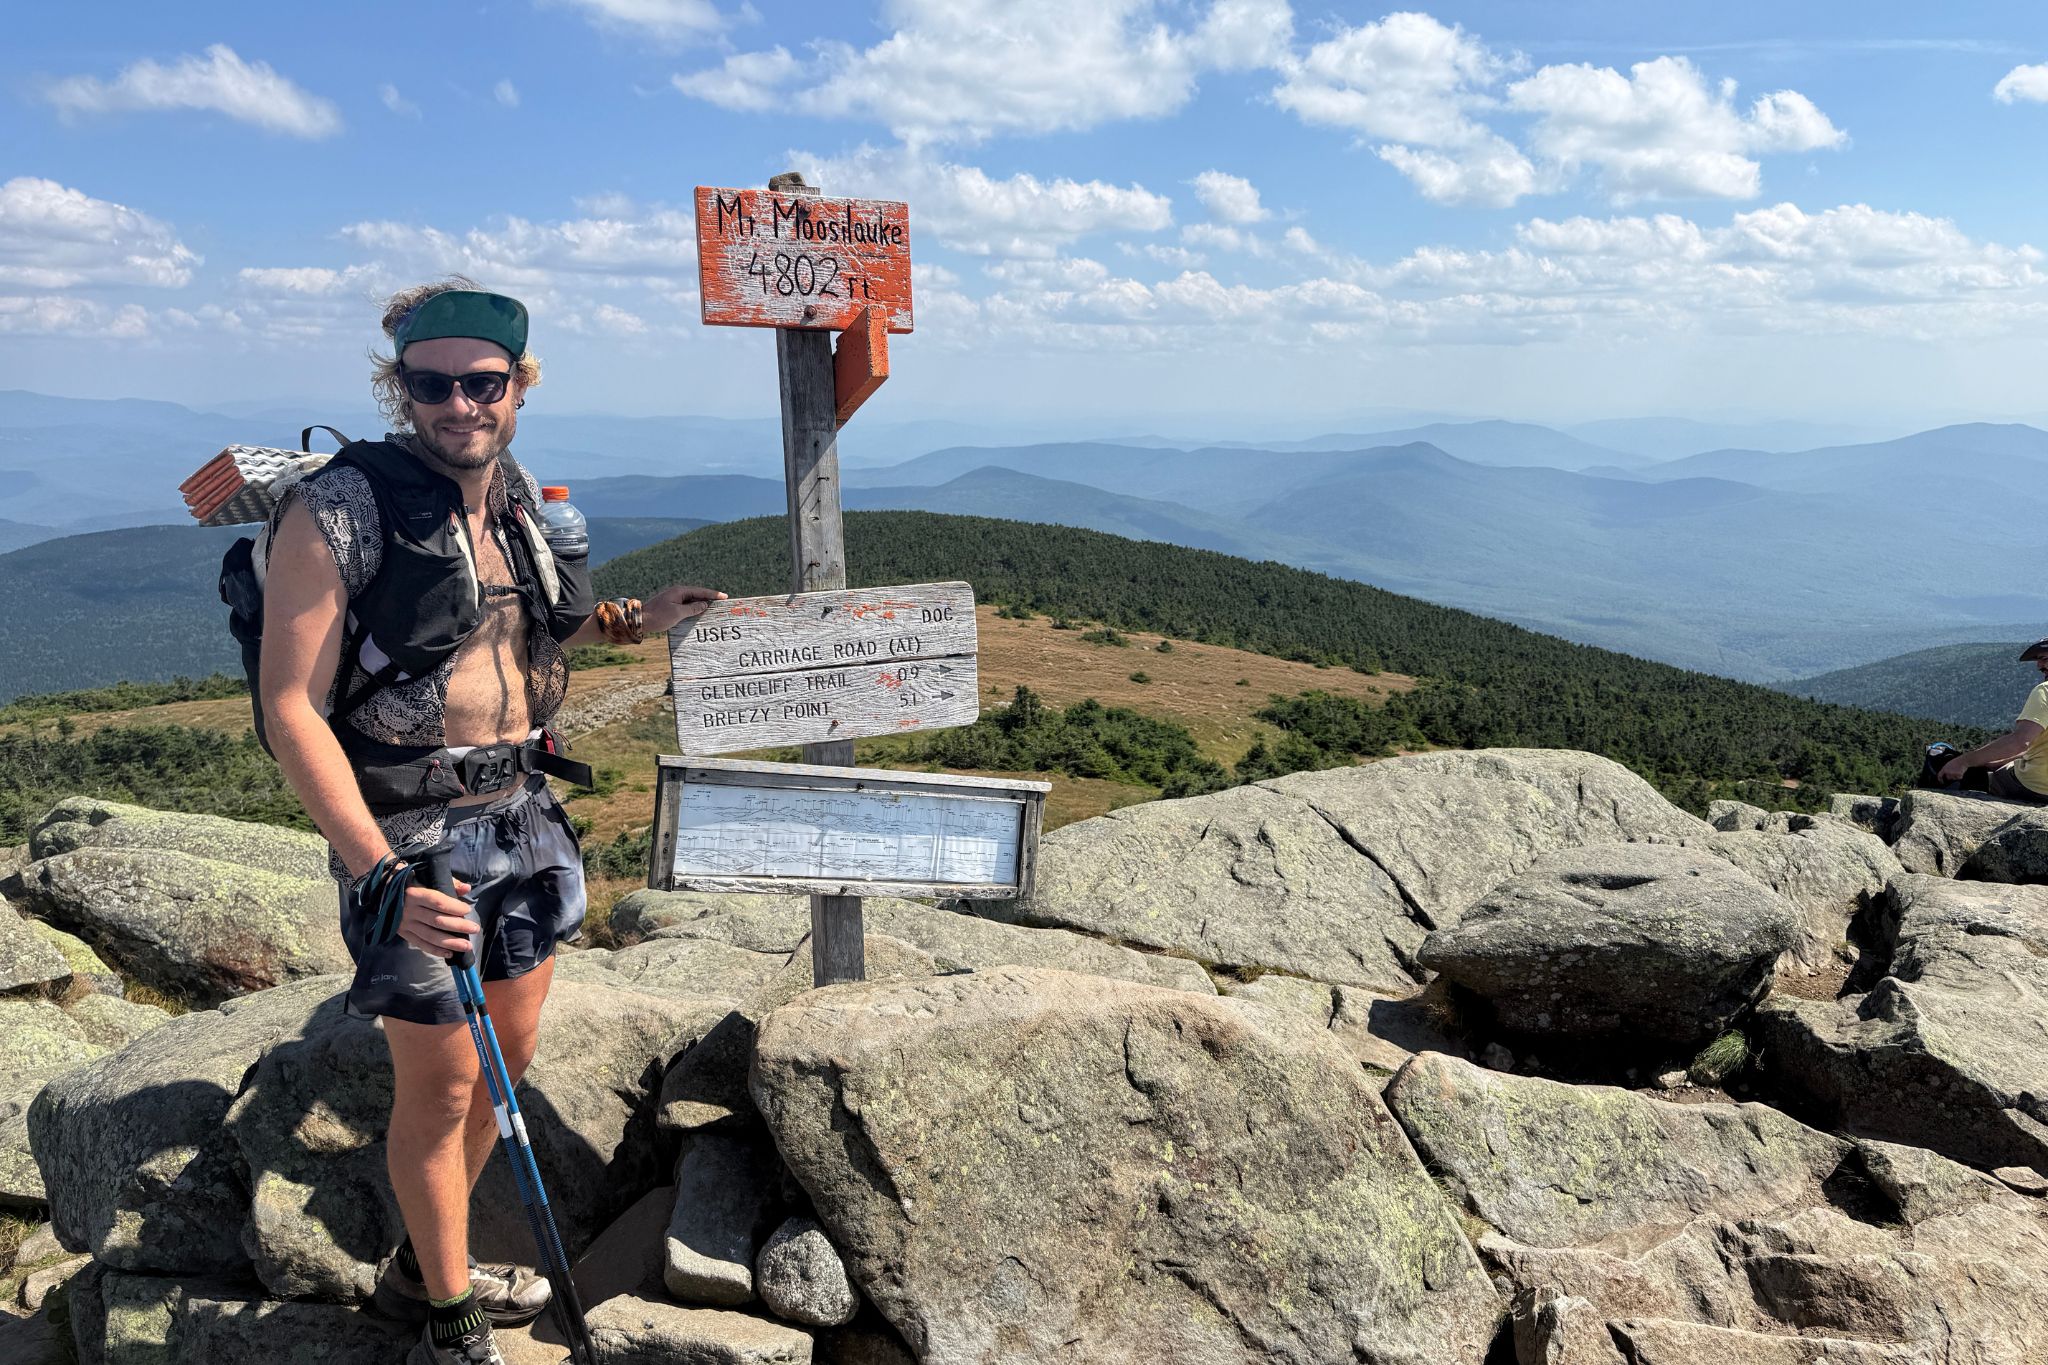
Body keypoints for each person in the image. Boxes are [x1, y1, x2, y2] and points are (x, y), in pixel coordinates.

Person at [259, 278, 724, 1365]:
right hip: (413, 837)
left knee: (504, 1063)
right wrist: (379, 876)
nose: (459, 405)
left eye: (484, 382)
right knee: (446, 1081)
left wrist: (631, 622)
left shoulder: (509, 492)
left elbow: (527, 628)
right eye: (432, 385)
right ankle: (451, 1321)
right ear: (399, 387)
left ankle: (427, 1265)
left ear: (519, 386)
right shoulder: (335, 509)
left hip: (522, 814)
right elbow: (289, 707)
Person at [1930, 638, 2048, 804]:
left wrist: (1963, 762)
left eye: (2045, 659)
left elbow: (2020, 742)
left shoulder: (2044, 691)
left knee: (1964, 774)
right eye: (2039, 660)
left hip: (2037, 787)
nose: (2039, 666)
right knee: (1998, 765)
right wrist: (1998, 761)